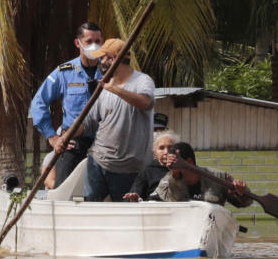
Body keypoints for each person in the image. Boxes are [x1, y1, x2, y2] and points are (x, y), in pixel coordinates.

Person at [70, 38, 155, 202]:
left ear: (114, 59)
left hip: (129, 168)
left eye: (103, 58)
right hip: (98, 160)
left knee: (124, 216)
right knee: (91, 209)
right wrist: (67, 134)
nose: (101, 62)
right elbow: (89, 123)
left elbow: (146, 102)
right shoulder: (104, 88)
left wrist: (115, 89)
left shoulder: (142, 81)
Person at [29, 22, 103, 187]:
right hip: (74, 143)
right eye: (89, 41)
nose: (94, 46)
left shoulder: (111, 71)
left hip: (105, 144)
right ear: (78, 43)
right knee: (63, 191)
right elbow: (39, 103)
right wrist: (52, 137)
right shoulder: (64, 72)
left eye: (98, 41)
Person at [152, 141, 253, 208]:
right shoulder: (166, 183)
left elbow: (244, 202)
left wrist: (240, 191)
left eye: (175, 162)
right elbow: (156, 204)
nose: (171, 166)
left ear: (189, 162)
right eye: (170, 164)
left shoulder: (218, 177)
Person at [123, 128, 179, 201]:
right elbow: (135, 194)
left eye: (170, 147)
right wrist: (135, 198)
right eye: (161, 148)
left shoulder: (184, 170)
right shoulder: (147, 172)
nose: (166, 152)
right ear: (155, 153)